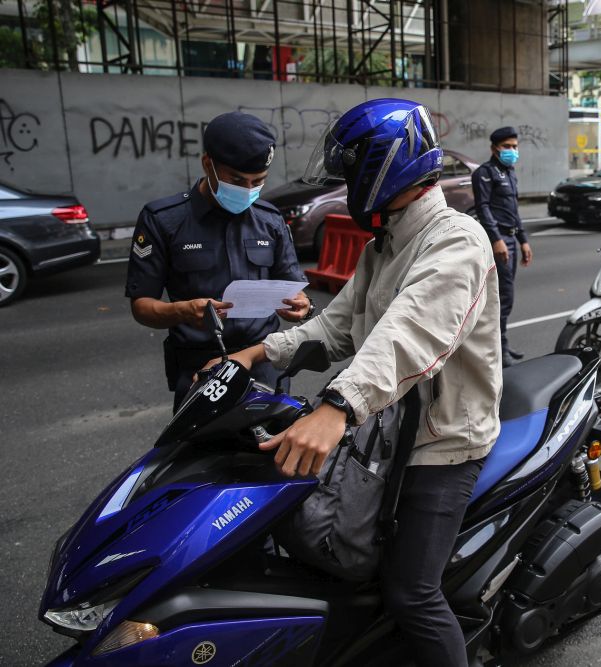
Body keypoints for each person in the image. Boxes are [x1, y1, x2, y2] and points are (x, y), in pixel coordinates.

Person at [205, 99, 502, 667]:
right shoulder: (383, 243)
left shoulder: (456, 239)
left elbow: (409, 335)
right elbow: (337, 328)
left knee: (412, 592)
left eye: (351, 173)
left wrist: (338, 406)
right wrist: (256, 352)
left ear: (382, 170)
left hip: (442, 442)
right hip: (383, 428)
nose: (345, 185)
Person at [125, 111, 312, 412]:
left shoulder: (270, 221)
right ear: (207, 164)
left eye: (258, 181)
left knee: (268, 456)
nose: (248, 189)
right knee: (200, 455)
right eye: (236, 180)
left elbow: (294, 289)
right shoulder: (163, 220)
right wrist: (183, 311)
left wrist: (302, 305)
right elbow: (142, 306)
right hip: (200, 369)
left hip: (263, 363)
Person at [472, 126, 533, 367]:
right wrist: (496, 239)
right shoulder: (485, 173)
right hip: (497, 241)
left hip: (511, 239)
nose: (512, 151)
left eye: (515, 147)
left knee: (504, 296)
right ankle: (497, 349)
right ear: (494, 148)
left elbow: (513, 212)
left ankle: (502, 344)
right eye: (507, 146)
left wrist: (524, 240)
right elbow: (483, 207)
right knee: (503, 296)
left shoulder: (510, 173)